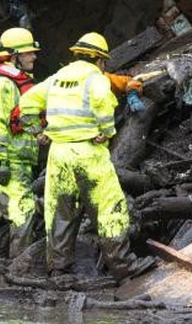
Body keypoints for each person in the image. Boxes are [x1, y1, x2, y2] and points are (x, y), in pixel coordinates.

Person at [19, 32, 154, 282]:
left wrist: (37, 132)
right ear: (99, 59)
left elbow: (26, 103)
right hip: (88, 152)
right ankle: (124, 267)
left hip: (58, 155)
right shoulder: (95, 78)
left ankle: (59, 271)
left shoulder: (56, 79)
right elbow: (104, 104)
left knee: (61, 212)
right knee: (108, 209)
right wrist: (107, 131)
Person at [0, 27, 45, 258]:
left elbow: (24, 118)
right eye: (28, 53)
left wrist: (38, 134)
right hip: (10, 160)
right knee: (22, 210)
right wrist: (1, 159)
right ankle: (22, 267)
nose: (34, 56)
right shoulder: (3, 84)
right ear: (14, 56)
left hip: (17, 157)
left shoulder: (17, 83)